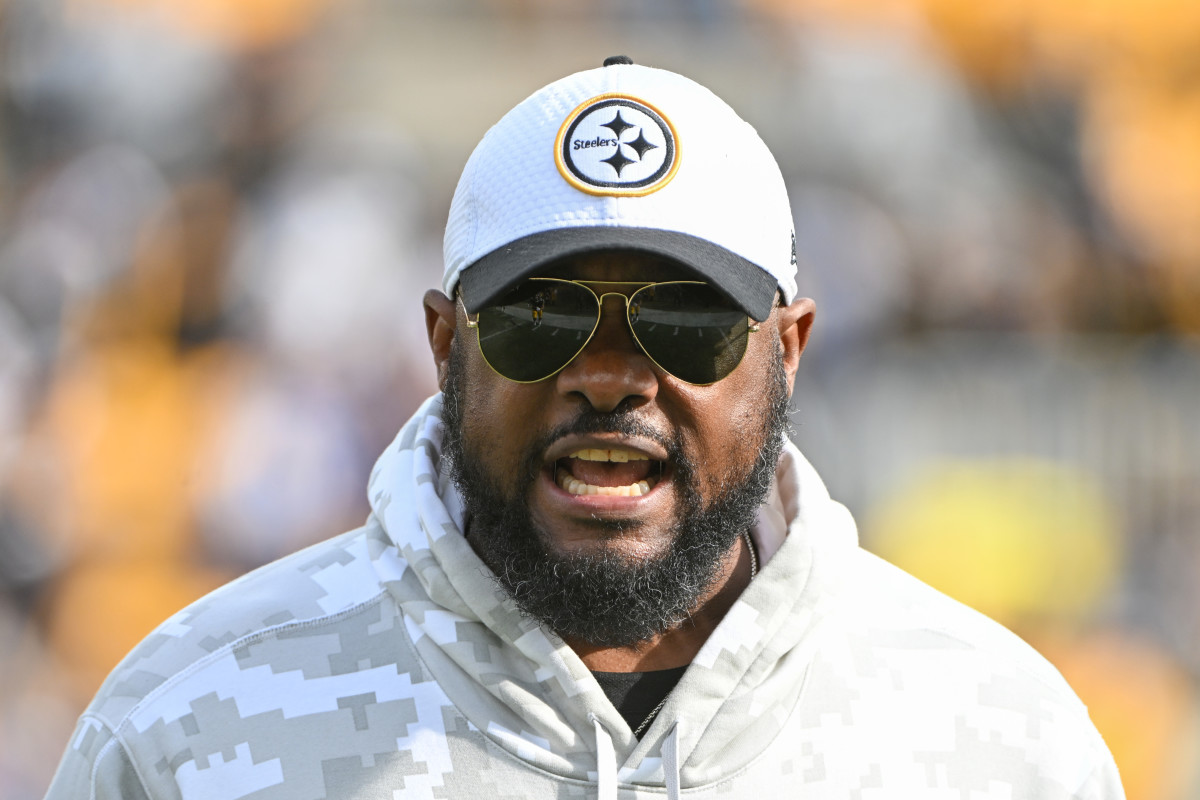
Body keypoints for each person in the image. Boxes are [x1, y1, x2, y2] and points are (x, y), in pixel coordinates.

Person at [45, 56, 1124, 799]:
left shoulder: (998, 736)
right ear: (442, 344)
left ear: (788, 350)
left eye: (688, 319)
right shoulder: (189, 721)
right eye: (541, 316)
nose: (610, 375)